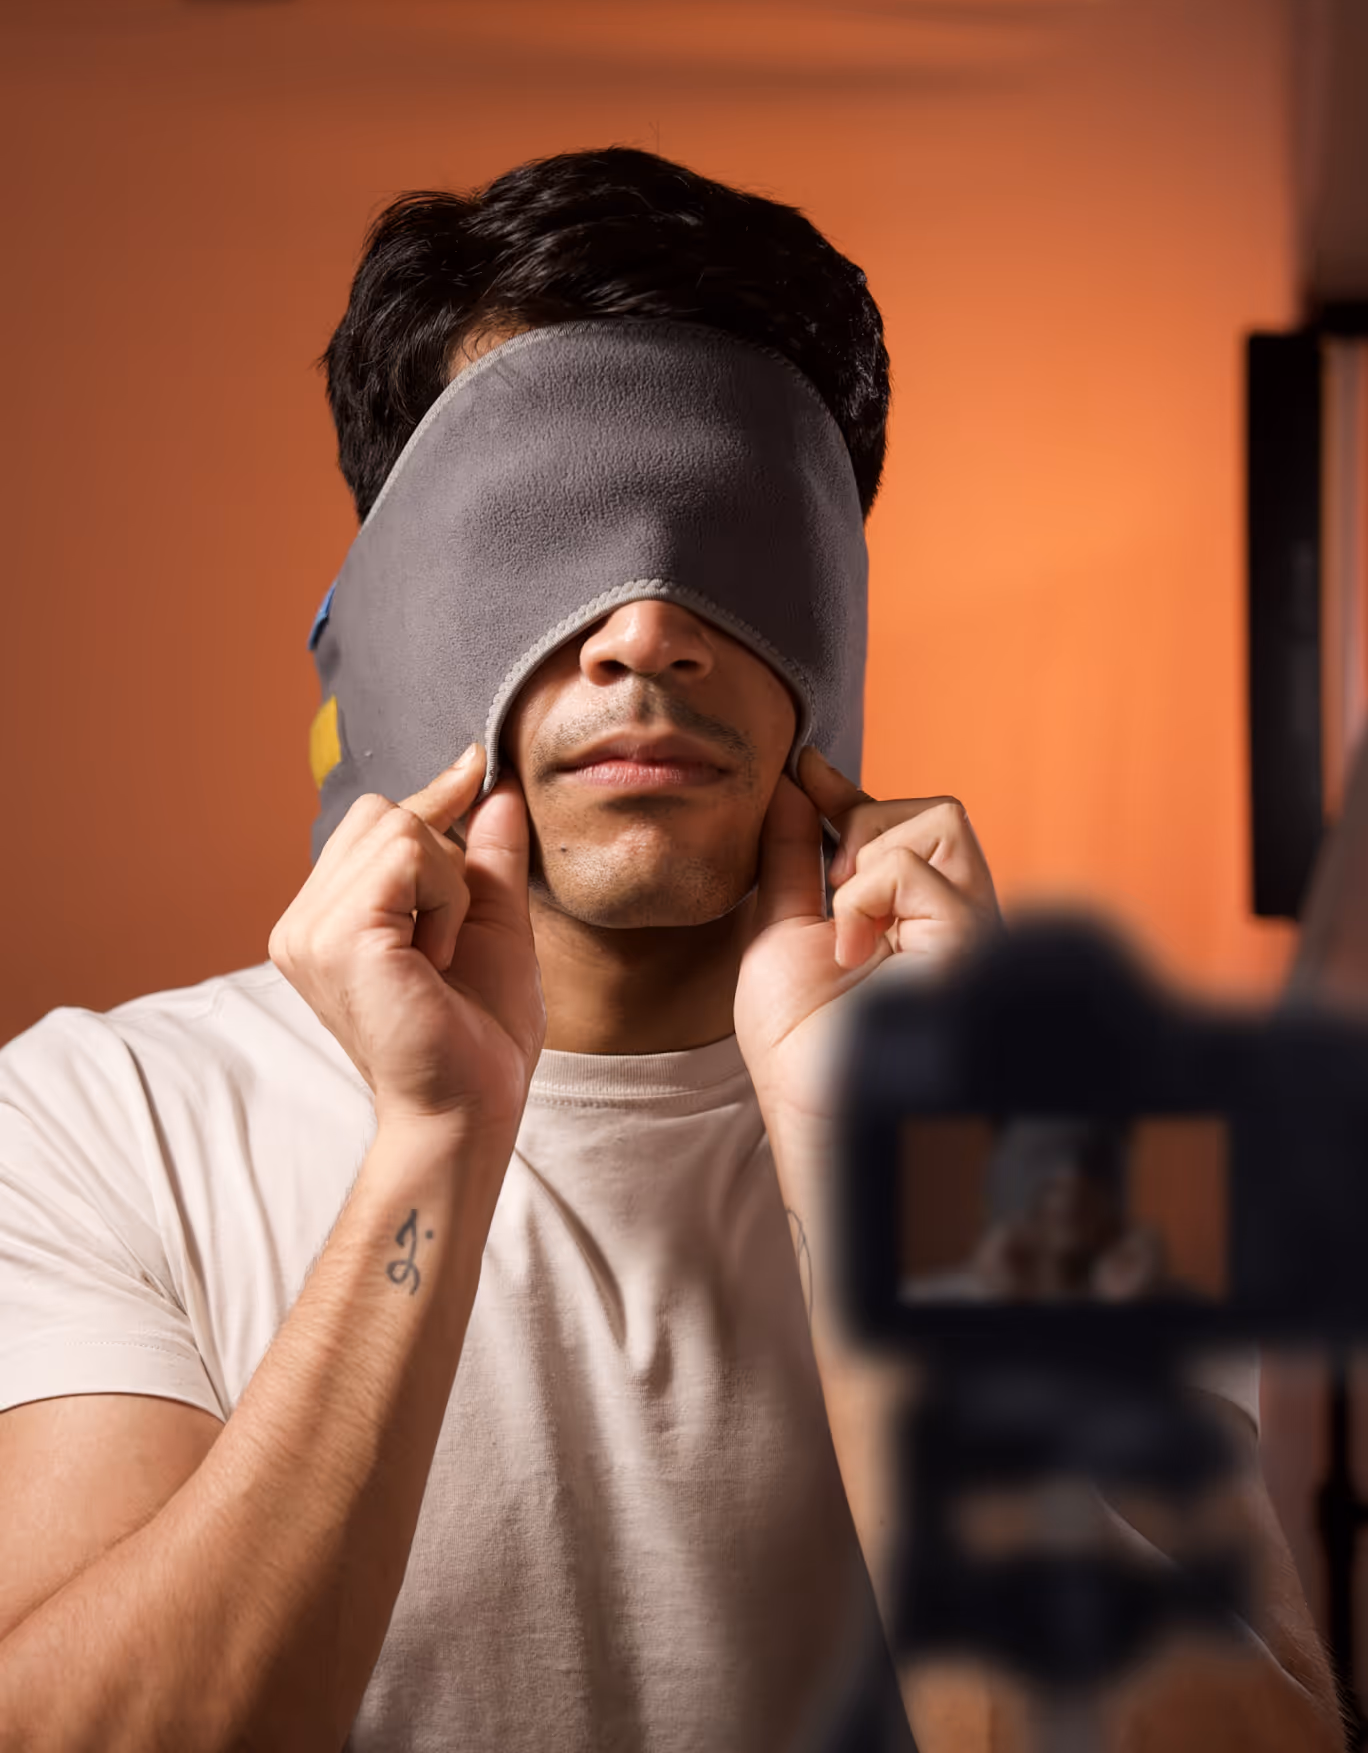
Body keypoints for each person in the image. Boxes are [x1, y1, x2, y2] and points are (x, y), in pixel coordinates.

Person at [0, 147, 1343, 1753]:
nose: (645, 627)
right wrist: (431, 1144)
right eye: (538, 528)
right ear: (389, 598)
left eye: (729, 529)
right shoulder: (100, 1122)